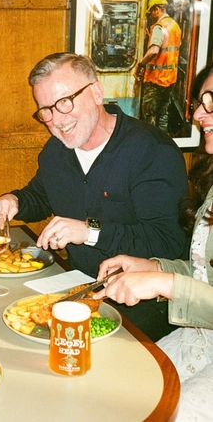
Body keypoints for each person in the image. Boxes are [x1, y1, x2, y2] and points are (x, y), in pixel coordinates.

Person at [0, 52, 188, 340]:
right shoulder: (57, 151)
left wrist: (89, 232)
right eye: (46, 110)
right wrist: (14, 201)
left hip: (143, 309)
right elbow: (41, 196)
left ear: (96, 92)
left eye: (64, 103)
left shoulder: (151, 150)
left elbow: (166, 242)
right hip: (79, 291)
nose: (56, 120)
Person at [94, 61, 213, 421]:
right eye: (201, 102)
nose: (199, 115)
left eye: (212, 103)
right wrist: (150, 266)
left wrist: (164, 283)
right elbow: (202, 272)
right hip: (202, 335)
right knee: (117, 385)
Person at [134, 0, 181, 132]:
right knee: (163, 114)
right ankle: (163, 143)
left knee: (149, 115)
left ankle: (151, 146)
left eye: (152, 12)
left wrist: (140, 64)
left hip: (155, 80)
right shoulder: (175, 26)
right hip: (170, 79)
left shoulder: (158, 27)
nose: (151, 16)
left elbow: (154, 50)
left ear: (157, 9)